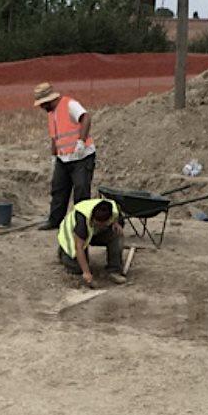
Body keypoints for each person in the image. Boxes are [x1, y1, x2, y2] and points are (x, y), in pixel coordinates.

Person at [34, 82, 96, 231]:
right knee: (58, 190)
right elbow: (55, 137)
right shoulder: (51, 114)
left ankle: (81, 224)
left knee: (81, 191)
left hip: (82, 157)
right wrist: (54, 156)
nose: (41, 107)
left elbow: (86, 118)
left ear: (48, 100)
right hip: (64, 158)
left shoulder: (69, 104)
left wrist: (81, 142)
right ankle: (55, 221)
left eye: (42, 104)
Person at [57, 198, 127, 286]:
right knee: (77, 269)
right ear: (93, 218)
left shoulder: (113, 208)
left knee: (116, 234)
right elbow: (79, 247)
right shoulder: (82, 220)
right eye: (97, 224)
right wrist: (86, 272)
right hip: (72, 235)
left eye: (103, 224)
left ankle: (114, 269)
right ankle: (63, 253)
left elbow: (116, 214)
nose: (100, 226)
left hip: (93, 232)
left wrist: (116, 223)